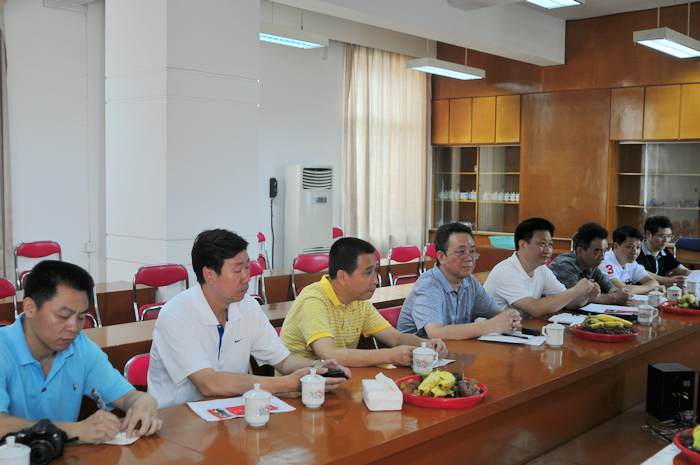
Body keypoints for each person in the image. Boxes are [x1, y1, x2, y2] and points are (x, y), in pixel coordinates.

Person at [148, 229, 350, 409]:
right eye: (238, 270)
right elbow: (209, 384)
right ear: (209, 274)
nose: (247, 277)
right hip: (178, 422)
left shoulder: (247, 306)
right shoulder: (176, 315)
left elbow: (284, 361)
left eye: (248, 267)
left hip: (231, 414)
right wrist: (288, 383)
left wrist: (317, 368)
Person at [0, 261, 161, 443]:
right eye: (63, 315)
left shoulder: (80, 347)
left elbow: (126, 397)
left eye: (81, 317)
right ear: (30, 308)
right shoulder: (3, 348)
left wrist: (143, 402)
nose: (74, 327)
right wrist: (73, 430)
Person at [280, 237, 447, 367]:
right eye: (368, 273)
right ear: (343, 277)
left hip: (336, 379)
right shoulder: (314, 301)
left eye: (376, 271)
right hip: (300, 388)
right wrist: (389, 355)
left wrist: (425, 344)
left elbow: (395, 338)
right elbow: (329, 354)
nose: (376, 280)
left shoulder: (358, 300)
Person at [397, 223, 521, 340]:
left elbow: (497, 314)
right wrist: (489, 326)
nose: (469, 258)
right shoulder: (429, 285)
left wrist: (511, 318)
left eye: (472, 251)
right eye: (461, 252)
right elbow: (435, 332)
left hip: (453, 351)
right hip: (417, 353)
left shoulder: (470, 283)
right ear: (441, 257)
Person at [483, 218, 597, 319]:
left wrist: (586, 294)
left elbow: (567, 302)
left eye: (550, 244)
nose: (548, 250)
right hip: (493, 333)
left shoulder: (541, 269)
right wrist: (575, 290)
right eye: (542, 244)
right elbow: (535, 309)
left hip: (520, 329)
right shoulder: (505, 272)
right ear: (522, 244)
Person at [549, 223, 629, 305]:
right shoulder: (565, 265)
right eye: (597, 251)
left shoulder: (590, 265)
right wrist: (613, 298)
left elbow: (609, 287)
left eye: (604, 251)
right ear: (580, 251)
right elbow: (573, 299)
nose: (602, 257)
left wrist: (618, 293)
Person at [599, 226, 661, 294]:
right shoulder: (605, 262)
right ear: (615, 246)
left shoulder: (631, 262)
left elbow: (654, 282)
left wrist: (647, 288)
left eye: (638, 247)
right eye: (629, 247)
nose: (635, 252)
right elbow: (624, 291)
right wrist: (650, 288)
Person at [637, 216, 690, 286]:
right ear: (648, 234)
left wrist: (695, 275)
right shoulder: (636, 250)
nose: (666, 240)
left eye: (669, 236)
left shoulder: (664, 250)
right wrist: (670, 280)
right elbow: (641, 272)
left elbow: (683, 270)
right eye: (661, 236)